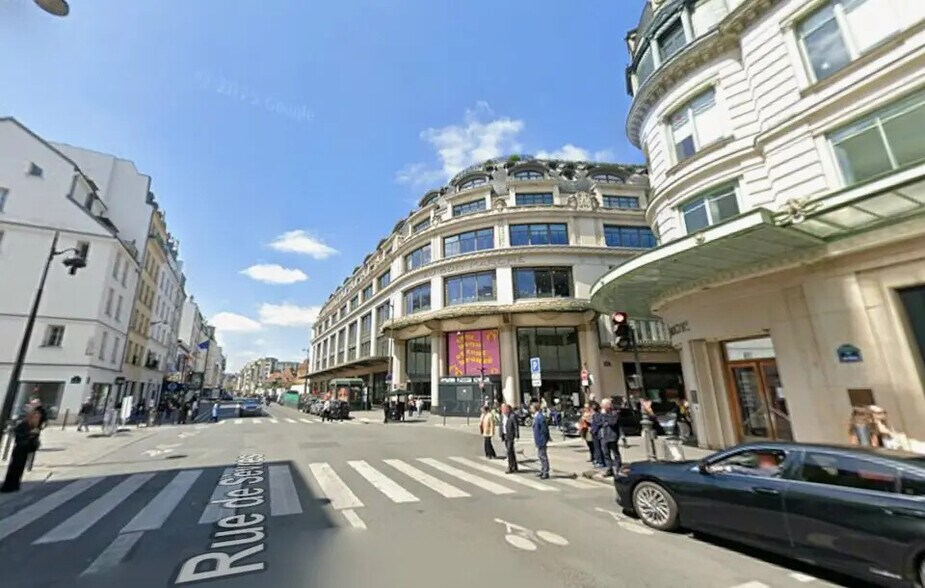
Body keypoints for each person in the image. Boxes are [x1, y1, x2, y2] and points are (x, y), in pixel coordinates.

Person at [1, 409, 41, 493]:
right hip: (19, 449)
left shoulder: (33, 426)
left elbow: (34, 441)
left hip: (25, 450)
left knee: (19, 468)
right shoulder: (23, 425)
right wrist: (30, 434)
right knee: (14, 468)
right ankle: (9, 486)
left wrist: (34, 437)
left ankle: (15, 485)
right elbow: (19, 435)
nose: (37, 420)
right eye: (35, 418)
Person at [599, 398, 623, 477]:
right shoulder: (601, 413)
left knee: (615, 453)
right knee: (606, 454)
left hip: (612, 436)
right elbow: (599, 422)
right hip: (603, 436)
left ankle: (618, 468)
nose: (601, 406)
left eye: (603, 404)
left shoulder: (614, 412)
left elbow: (613, 422)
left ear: (607, 405)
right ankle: (609, 469)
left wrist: (605, 415)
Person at [530, 402, 551, 479]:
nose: (530, 409)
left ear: (535, 408)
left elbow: (544, 429)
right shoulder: (536, 417)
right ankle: (543, 470)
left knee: (543, 456)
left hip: (541, 439)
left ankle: (546, 472)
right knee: (540, 456)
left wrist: (545, 439)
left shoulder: (540, 417)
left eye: (531, 407)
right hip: (538, 439)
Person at [500, 404, 519, 474]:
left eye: (504, 409)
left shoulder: (512, 416)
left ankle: (510, 467)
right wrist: (501, 434)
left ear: (507, 409)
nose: (502, 410)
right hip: (505, 435)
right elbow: (501, 425)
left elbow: (516, 426)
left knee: (509, 451)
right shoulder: (502, 416)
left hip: (510, 435)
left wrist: (517, 436)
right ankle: (515, 465)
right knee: (511, 451)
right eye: (502, 409)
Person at [589, 401, 604, 468]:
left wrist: (592, 431)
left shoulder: (596, 415)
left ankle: (600, 462)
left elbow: (597, 424)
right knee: (598, 448)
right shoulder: (598, 415)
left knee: (598, 448)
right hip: (596, 433)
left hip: (597, 434)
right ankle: (599, 461)